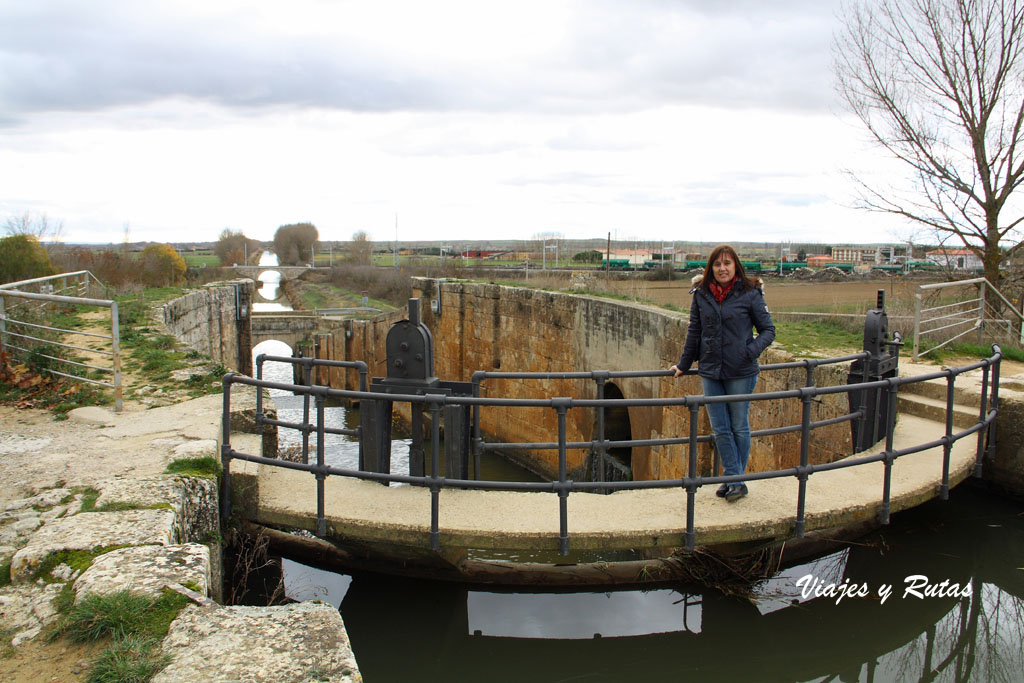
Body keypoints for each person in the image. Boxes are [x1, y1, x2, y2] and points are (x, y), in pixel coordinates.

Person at [670, 244, 775, 502]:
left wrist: (748, 352)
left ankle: (733, 479)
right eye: (717, 264)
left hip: (741, 371)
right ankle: (734, 479)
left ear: (735, 266)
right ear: (711, 268)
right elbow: (695, 331)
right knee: (720, 428)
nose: (722, 268)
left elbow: (768, 331)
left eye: (727, 263)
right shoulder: (701, 293)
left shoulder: (750, 293)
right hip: (710, 370)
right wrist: (684, 364)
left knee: (739, 426)